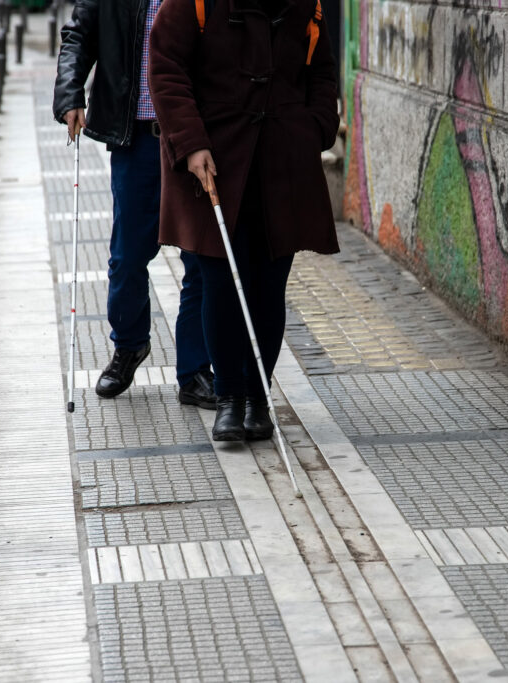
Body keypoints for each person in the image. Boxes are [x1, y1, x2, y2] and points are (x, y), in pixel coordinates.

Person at [149, 0, 340, 440]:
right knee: (220, 284)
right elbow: (166, 68)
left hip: (283, 165)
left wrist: (313, 129)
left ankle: (259, 398)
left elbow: (322, 73)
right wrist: (191, 142)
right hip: (215, 161)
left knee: (269, 286)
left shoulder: (306, 5)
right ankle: (230, 398)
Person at [52, 0, 216, 408]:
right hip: (137, 139)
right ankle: (129, 345)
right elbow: (78, 35)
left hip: (192, 138)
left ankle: (194, 370)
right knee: (127, 257)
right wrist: (70, 92)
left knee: (199, 258)